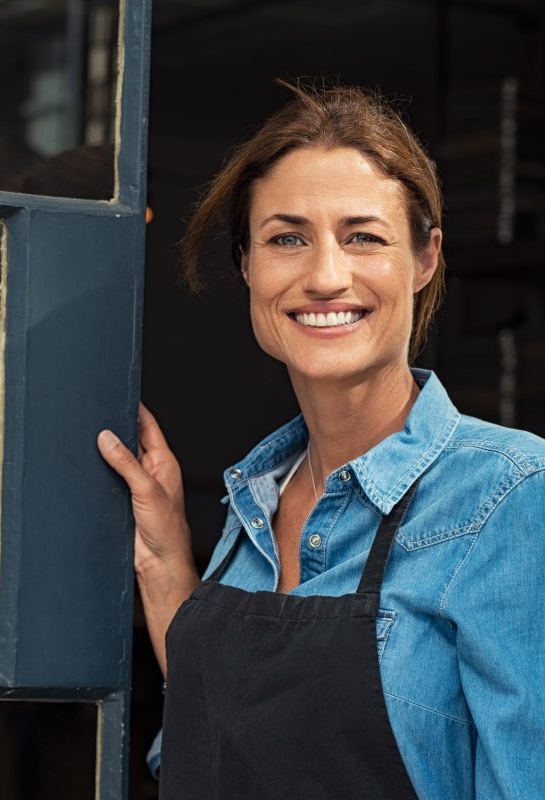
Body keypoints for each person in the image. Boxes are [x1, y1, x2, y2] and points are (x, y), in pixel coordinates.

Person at [96, 82, 545, 799]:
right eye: (287, 239)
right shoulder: (253, 506)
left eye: (363, 236)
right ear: (247, 265)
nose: (326, 276)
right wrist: (165, 562)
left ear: (425, 257)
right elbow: (225, 751)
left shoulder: (510, 496)